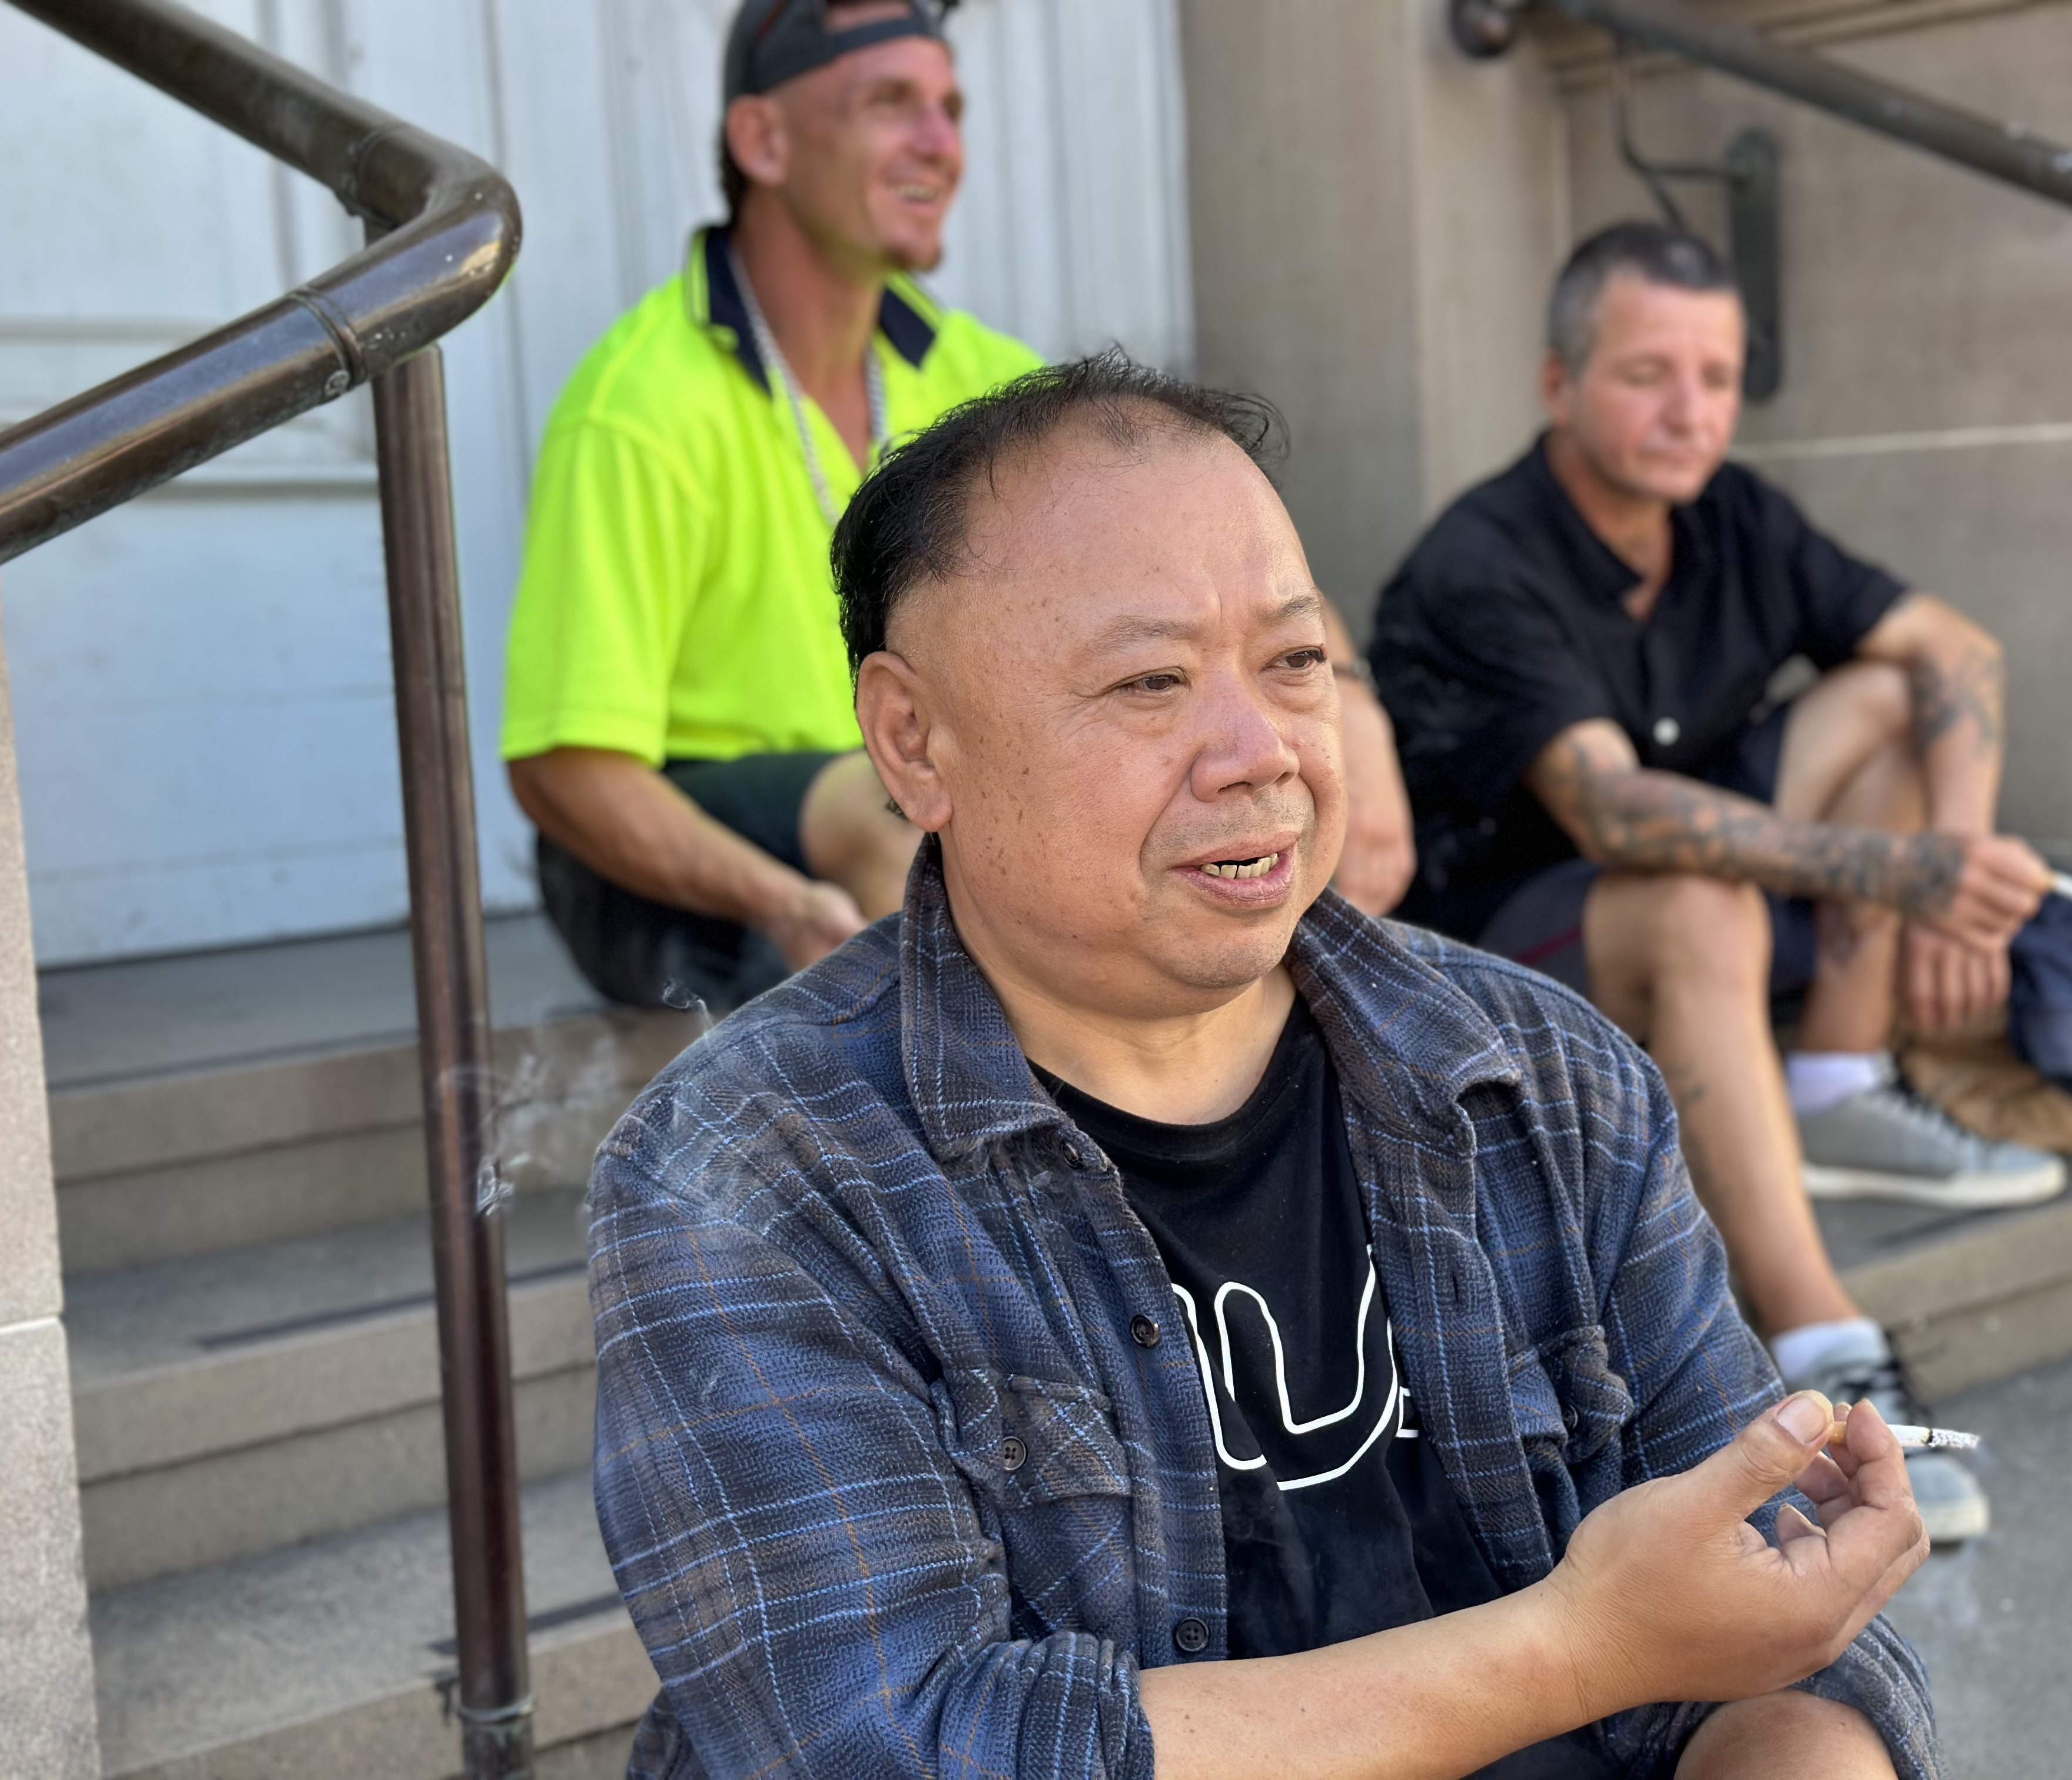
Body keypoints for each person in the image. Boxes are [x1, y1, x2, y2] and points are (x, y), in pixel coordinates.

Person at [588, 354, 1936, 1780]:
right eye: (1150, 681)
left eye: (1296, 663)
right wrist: (1583, 1648)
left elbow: (1778, 1630)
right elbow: (899, 1751)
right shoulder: (748, 1181)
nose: (1259, 754)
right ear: (914, 742)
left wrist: (1781, 1685)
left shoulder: (1546, 1076)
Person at [502, 0, 1412, 1015]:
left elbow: (1216, 567)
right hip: (671, 872)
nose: (941, 145)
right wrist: (781, 898)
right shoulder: (639, 404)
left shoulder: (981, 381)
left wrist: (1355, 709)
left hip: (910, 801)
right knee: (883, 803)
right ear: (762, 138)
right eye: (891, 104)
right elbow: (565, 771)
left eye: (950, 108)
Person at [1369, 220, 2063, 1545]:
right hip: (1494, 971)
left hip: (1696, 926)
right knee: (1702, 895)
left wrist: (1959, 854)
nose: (1690, 411)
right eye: (1646, 374)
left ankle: (1837, 1084)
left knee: (1885, 693)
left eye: (1717, 376)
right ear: (1559, 384)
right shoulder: (1483, 560)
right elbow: (1613, 810)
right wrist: (1902, 874)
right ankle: (1817, 1340)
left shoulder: (1731, 515)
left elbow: (1951, 646)